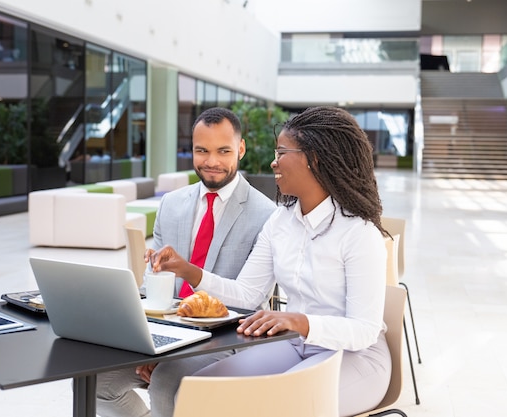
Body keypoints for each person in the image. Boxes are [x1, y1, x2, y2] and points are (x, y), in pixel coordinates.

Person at [149, 106, 392, 417]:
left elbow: (364, 330)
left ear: (313, 159)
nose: (273, 162)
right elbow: (247, 294)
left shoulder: (358, 232)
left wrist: (298, 321)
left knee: (277, 407)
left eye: (281, 152)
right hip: (296, 344)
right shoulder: (281, 222)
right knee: (199, 388)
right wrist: (189, 271)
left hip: (356, 357)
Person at [95, 107, 277, 417]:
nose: (212, 162)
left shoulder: (268, 214)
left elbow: (252, 300)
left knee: (166, 381)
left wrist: (169, 357)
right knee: (96, 380)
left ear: (241, 149)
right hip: (171, 333)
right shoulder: (171, 204)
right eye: (201, 150)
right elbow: (153, 283)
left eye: (224, 151)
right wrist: (148, 343)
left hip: (228, 340)